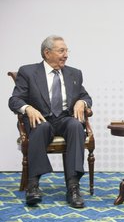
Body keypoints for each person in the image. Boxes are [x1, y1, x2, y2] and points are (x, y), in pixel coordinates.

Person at [8, 35, 92, 208]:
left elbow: (85, 95)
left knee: (76, 125)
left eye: (67, 50)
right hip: (40, 118)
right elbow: (15, 100)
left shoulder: (74, 73)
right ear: (47, 53)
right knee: (41, 126)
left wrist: (81, 102)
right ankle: (33, 185)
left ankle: (73, 187)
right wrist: (28, 108)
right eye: (61, 50)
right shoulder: (28, 72)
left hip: (63, 119)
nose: (66, 54)